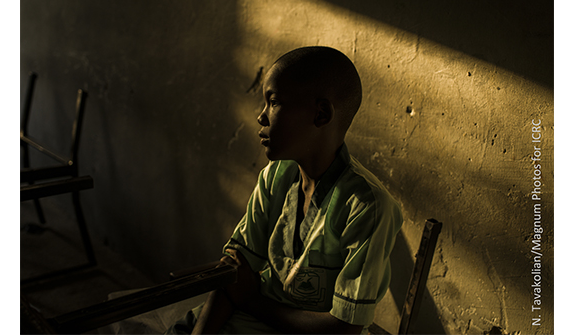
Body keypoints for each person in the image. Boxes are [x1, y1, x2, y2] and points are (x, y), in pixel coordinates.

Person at [166, 46, 403, 334]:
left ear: (320, 114)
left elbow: (343, 329)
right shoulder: (275, 178)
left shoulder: (366, 206)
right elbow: (232, 275)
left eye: (274, 102)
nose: (261, 117)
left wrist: (252, 301)